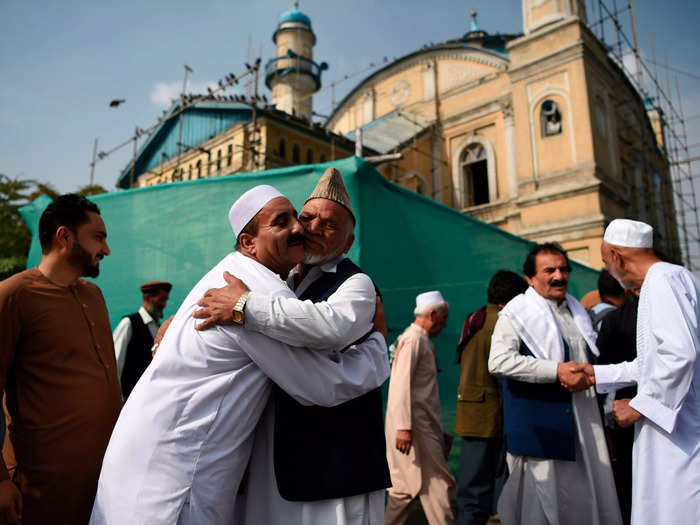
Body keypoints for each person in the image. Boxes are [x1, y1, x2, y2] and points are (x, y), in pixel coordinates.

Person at [89, 185, 389, 525]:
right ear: (248, 242)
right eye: (288, 220)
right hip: (174, 474)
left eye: (322, 223)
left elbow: (329, 325)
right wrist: (378, 348)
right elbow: (321, 385)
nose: (301, 228)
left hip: (150, 459)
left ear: (349, 242)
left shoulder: (236, 276)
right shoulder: (253, 291)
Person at [191, 167, 391, 524]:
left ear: (348, 242)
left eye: (329, 225)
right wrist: (183, 319)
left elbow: (328, 327)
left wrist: (243, 307)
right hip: (279, 462)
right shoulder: (280, 279)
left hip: (337, 464)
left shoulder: (356, 284)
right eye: (307, 217)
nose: (313, 229)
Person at [0, 194, 122, 525]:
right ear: (65, 237)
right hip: (41, 490)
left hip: (101, 482)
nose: (106, 250)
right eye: (98, 237)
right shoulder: (13, 296)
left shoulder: (93, 295)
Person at [488, 242, 622, 525]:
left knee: (588, 502)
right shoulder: (516, 313)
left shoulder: (576, 311)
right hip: (542, 428)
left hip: (585, 425)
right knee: (543, 510)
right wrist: (555, 371)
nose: (558, 276)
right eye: (549, 270)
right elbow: (498, 362)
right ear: (530, 278)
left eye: (563, 269)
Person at [590, 219, 699, 525]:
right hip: (673, 429)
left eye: (604, 260)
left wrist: (639, 406)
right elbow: (654, 362)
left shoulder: (663, 280)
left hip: (679, 433)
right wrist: (597, 375)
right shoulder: (669, 278)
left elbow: (680, 355)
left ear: (616, 257)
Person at [454, 270, 528, 525]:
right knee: (480, 492)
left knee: (476, 490)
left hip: (474, 411)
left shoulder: (478, 318)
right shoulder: (502, 322)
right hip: (491, 414)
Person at [384, 291, 456, 525]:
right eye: (443, 319)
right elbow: (400, 385)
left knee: (403, 491)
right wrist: (403, 428)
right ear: (433, 314)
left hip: (418, 427)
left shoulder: (418, 339)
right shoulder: (414, 340)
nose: (444, 326)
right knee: (437, 485)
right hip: (416, 429)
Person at [596, 291, 639, 525]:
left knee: (626, 482)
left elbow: (603, 371)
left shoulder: (615, 319)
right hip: (628, 412)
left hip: (622, 413)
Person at [112, 280, 172, 398]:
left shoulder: (158, 328)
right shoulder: (129, 323)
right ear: (148, 297)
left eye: (166, 300)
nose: (164, 305)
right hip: (128, 397)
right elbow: (116, 361)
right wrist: (117, 398)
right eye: (161, 300)